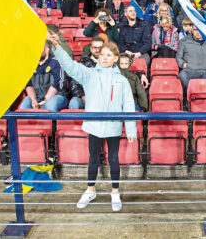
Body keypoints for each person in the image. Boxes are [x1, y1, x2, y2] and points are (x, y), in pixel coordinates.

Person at [47, 32, 136, 212]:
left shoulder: (122, 80)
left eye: (109, 55)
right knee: (93, 159)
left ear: (116, 59)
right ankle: (90, 190)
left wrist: (131, 129)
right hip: (94, 126)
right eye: (102, 54)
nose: (104, 58)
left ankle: (115, 192)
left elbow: (128, 105)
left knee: (113, 159)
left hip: (113, 127)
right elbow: (70, 66)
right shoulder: (89, 74)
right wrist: (57, 47)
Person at [177, 25, 206, 100]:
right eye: (195, 30)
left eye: (200, 30)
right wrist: (184, 65)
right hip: (191, 71)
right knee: (183, 75)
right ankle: (187, 101)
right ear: (191, 30)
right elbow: (178, 57)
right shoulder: (184, 41)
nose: (198, 32)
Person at [19, 41, 68, 112]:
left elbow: (56, 85)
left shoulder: (56, 62)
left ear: (47, 49)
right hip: (37, 96)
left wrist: (44, 100)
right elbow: (29, 85)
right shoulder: (29, 64)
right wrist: (33, 99)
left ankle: (52, 123)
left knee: (49, 105)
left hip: (57, 95)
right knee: (24, 106)